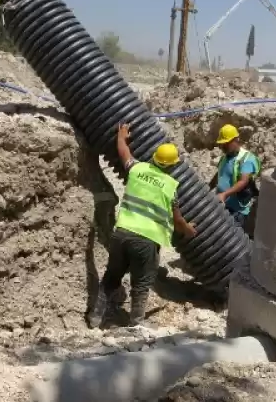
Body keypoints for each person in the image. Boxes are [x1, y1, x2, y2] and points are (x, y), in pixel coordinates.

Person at [88, 123, 197, 328]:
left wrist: (121, 136)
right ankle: (136, 324)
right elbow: (177, 219)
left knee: (111, 277)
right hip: (146, 240)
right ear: (172, 166)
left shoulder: (137, 169)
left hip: (122, 233)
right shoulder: (170, 187)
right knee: (141, 284)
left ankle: (95, 318)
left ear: (155, 158)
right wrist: (188, 230)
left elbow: (123, 153)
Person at [209, 124, 261, 236]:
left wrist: (225, 194)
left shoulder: (246, 159)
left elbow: (243, 181)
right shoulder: (225, 157)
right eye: (221, 145)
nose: (223, 147)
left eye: (226, 144)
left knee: (234, 240)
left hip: (238, 211)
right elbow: (220, 174)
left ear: (236, 140)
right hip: (223, 206)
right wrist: (208, 188)